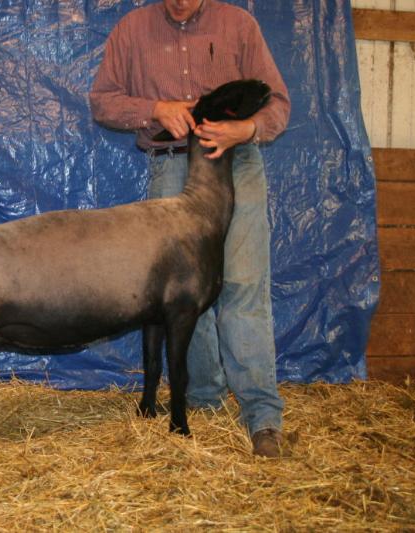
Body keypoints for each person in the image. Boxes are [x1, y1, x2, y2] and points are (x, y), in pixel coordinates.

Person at [89, 0, 291, 457]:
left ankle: (262, 416)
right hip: (173, 165)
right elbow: (102, 101)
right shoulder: (132, 29)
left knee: (243, 285)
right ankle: (203, 400)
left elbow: (278, 104)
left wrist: (246, 129)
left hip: (235, 165)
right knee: (181, 296)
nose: (180, 1)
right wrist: (154, 109)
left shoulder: (239, 25)